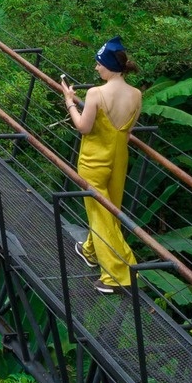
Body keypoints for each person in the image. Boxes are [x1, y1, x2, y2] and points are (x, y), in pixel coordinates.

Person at [60, 39, 143, 295]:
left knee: (99, 215)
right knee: (110, 212)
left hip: (94, 161)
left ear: (107, 66)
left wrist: (70, 102)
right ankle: (91, 251)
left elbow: (83, 127)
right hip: (119, 159)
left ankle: (119, 274)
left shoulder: (95, 93)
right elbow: (127, 133)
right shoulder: (136, 95)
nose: (97, 69)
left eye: (98, 65)